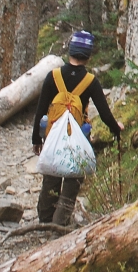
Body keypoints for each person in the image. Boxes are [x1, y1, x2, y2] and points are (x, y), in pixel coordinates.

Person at [32, 30, 123, 226]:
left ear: (70, 51)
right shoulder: (90, 81)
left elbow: (40, 111)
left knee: (52, 174)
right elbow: (105, 114)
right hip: (77, 136)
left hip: (53, 136)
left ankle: (45, 219)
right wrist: (117, 129)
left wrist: (36, 140)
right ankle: (61, 220)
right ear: (88, 55)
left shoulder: (53, 76)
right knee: (73, 178)